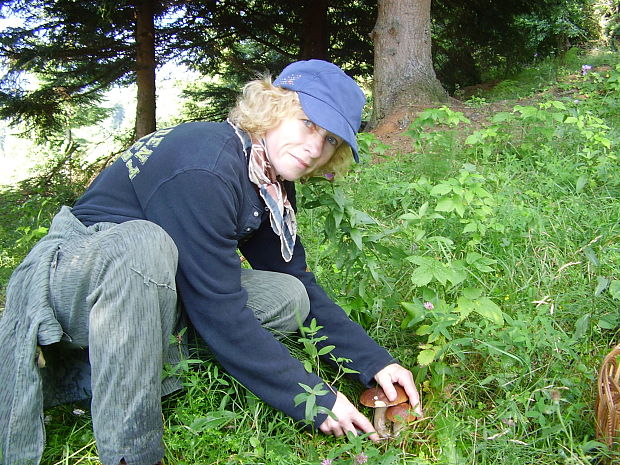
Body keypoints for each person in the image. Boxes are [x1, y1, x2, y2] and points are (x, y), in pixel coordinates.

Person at [0, 60, 421, 465]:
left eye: (330, 139)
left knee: (288, 295)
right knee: (144, 244)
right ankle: (133, 452)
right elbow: (220, 311)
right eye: (308, 123)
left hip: (152, 291)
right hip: (74, 279)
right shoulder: (208, 164)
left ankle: (99, 374)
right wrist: (313, 398)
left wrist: (374, 362)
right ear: (272, 109)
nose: (315, 148)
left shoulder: (266, 178)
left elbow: (297, 279)